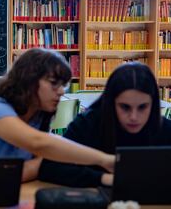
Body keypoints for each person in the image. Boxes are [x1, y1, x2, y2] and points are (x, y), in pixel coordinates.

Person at [0, 48, 114, 182]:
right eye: (53, 83)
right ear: (28, 80)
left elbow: (32, 169)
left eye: (63, 86)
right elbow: (39, 145)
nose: (61, 91)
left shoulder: (36, 118)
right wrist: (103, 159)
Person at [38, 62, 171, 187]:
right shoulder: (87, 123)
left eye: (143, 107)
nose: (133, 117)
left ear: (153, 105)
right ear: (111, 103)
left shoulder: (165, 129)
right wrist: (103, 178)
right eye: (125, 107)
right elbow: (50, 167)